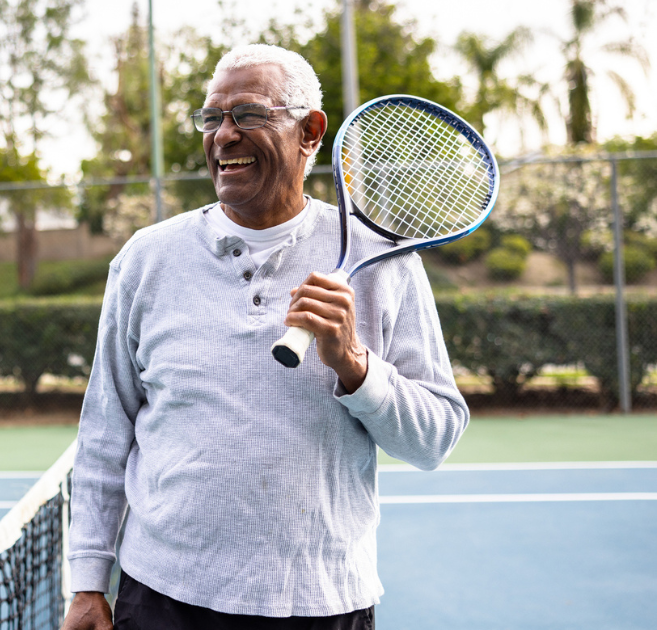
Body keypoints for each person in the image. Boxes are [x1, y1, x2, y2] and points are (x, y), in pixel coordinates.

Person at [60, 44, 469, 630]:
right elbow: (104, 433)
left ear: (310, 131)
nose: (224, 135)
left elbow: (435, 439)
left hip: (321, 600)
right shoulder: (145, 261)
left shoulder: (386, 266)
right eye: (212, 118)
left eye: (248, 114)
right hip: (161, 598)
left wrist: (355, 366)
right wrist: (87, 583)